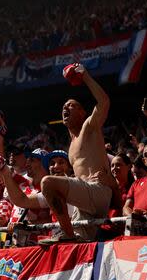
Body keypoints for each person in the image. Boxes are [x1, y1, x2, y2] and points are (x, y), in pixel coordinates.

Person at [39, 64, 118, 243]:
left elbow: (104, 102)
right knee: (76, 248)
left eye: (71, 105)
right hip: (86, 199)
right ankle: (70, 235)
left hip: (98, 191)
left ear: (83, 113)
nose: (65, 108)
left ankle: (67, 232)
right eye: (64, 107)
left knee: (48, 182)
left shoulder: (89, 127)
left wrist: (86, 77)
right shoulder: (71, 146)